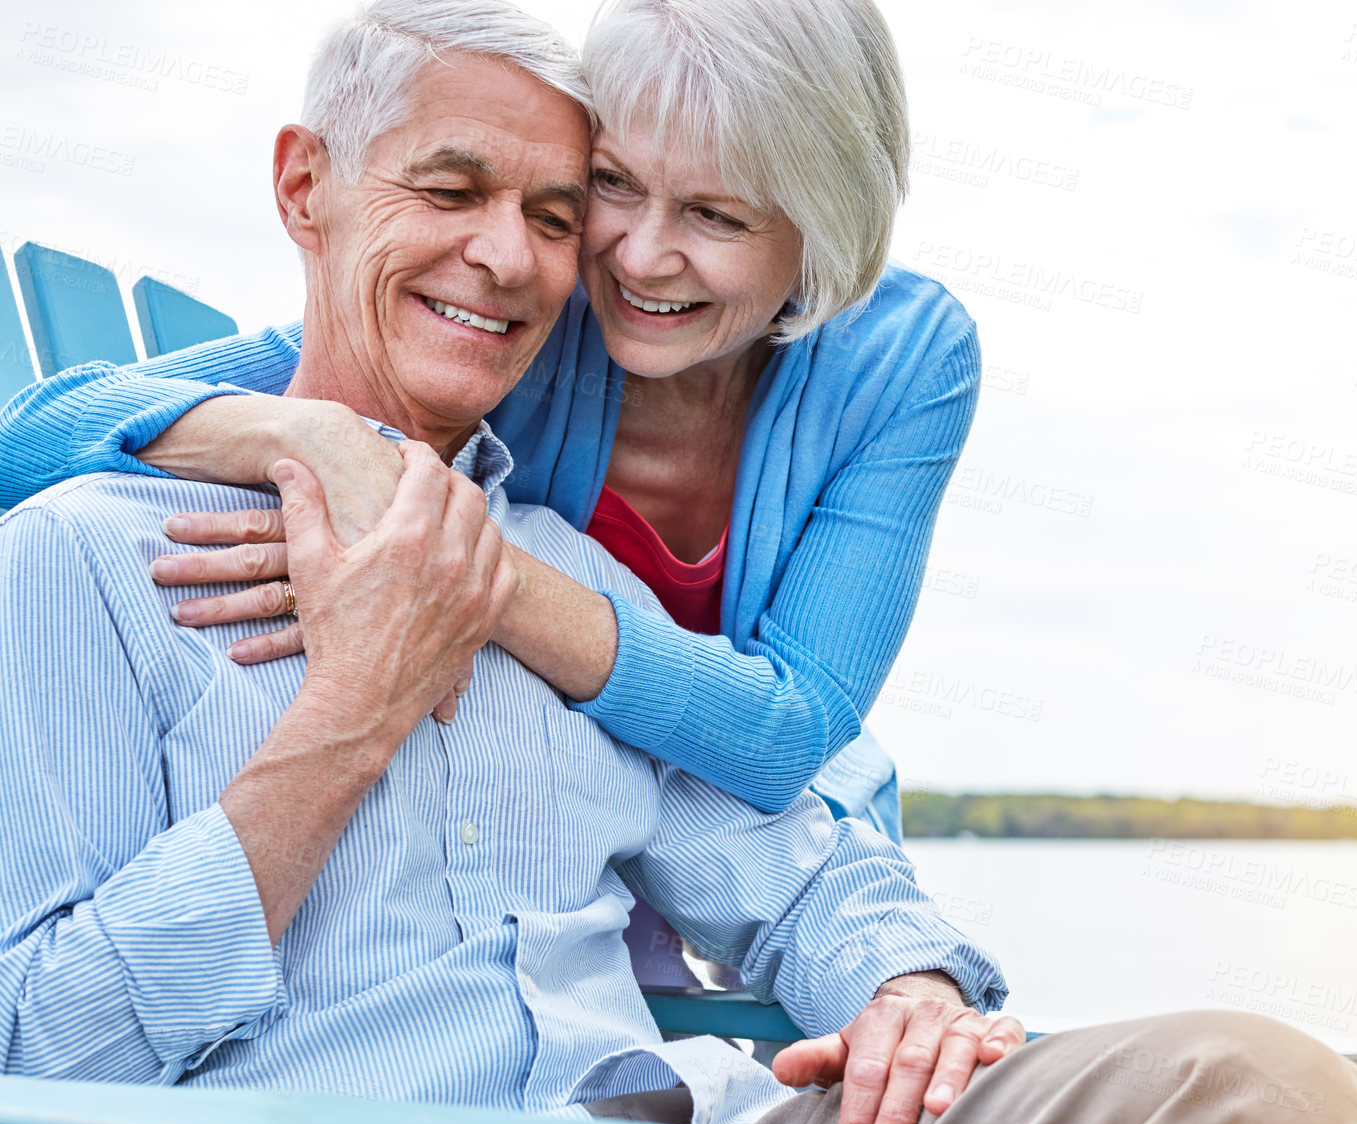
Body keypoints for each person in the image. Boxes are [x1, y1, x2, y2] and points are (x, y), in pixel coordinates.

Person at [0, 6, 1357, 1124]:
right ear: (306, 188)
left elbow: (790, 853)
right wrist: (350, 711)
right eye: (450, 190)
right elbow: (44, 1053)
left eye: (555, 214)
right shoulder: (85, 565)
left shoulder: (560, 572)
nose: (512, 257)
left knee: (1264, 1089)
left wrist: (911, 983)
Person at [0, 0, 972, 853]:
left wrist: (460, 570)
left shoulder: (902, 358)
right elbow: (27, 440)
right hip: (536, 800)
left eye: (714, 215)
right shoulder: (521, 305)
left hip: (756, 826)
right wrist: (303, 437)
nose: (639, 257)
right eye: (614, 185)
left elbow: (787, 734)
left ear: (825, 222)